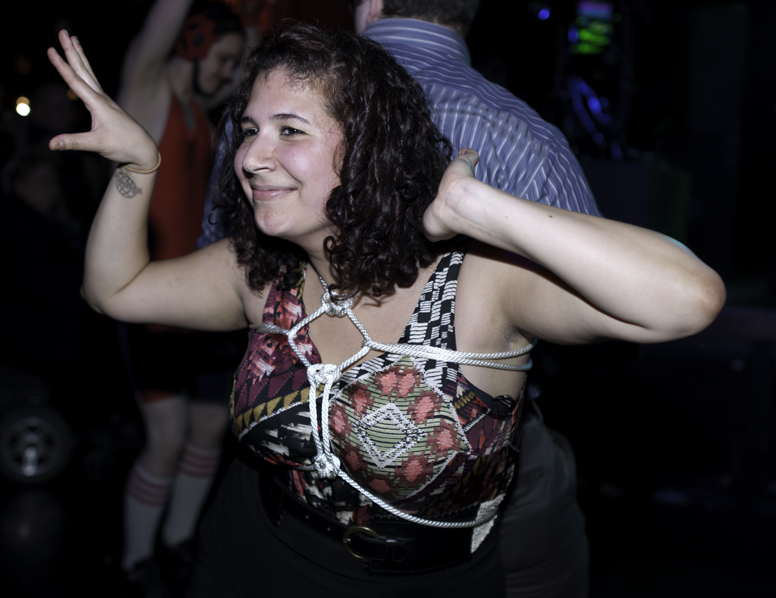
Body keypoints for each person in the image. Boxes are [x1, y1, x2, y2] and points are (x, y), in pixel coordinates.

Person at [46, 21, 724, 597]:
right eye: (249, 129)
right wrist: (137, 168)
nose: (251, 156)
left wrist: (481, 208)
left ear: (366, 146)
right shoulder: (261, 273)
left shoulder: (476, 283)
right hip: (247, 559)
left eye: (289, 130)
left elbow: (688, 299)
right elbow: (115, 291)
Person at [349, 1, 598, 595]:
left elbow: (235, 270)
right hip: (490, 455)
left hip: (290, 447)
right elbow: (600, 318)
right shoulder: (525, 136)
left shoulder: (272, 119)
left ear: (373, 3)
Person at [112, 0, 247, 592]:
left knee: (210, 428)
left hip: (195, 303)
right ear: (191, 44)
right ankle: (136, 561)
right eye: (222, 58)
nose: (227, 72)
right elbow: (158, 29)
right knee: (166, 440)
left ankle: (177, 541)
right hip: (149, 304)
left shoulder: (200, 112)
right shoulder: (149, 95)